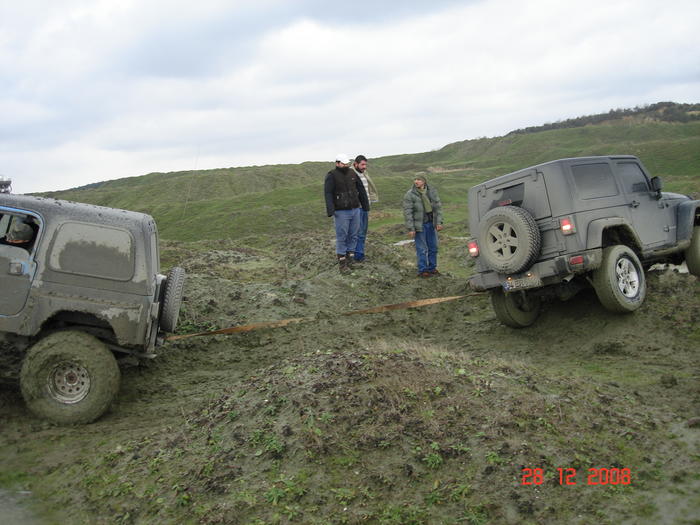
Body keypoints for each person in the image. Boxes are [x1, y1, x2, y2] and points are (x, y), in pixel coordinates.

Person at [324, 153, 369, 273]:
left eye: (347, 164)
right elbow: (328, 193)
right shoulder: (331, 175)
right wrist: (330, 210)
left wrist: (365, 205)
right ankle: (342, 263)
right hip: (341, 211)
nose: (345, 166)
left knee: (353, 235)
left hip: (355, 209)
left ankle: (351, 258)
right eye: (343, 164)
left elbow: (361, 189)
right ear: (337, 163)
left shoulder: (352, 173)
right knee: (342, 236)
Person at [402, 175, 443, 277]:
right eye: (415, 179)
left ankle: (432, 268)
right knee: (422, 249)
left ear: (424, 181)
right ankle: (423, 270)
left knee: (433, 247)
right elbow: (408, 213)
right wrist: (411, 228)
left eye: (419, 179)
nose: (416, 181)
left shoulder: (431, 192)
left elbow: (438, 208)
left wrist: (439, 222)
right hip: (419, 225)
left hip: (431, 223)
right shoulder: (410, 194)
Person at [351, 155, 379, 263]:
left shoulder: (364, 173)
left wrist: (371, 200)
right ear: (355, 163)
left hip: (365, 207)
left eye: (365, 164)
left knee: (363, 231)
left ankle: (359, 254)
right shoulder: (351, 174)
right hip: (356, 207)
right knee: (357, 232)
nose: (364, 167)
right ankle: (355, 255)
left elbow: (368, 189)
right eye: (362, 164)